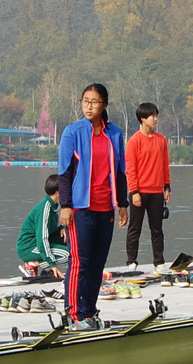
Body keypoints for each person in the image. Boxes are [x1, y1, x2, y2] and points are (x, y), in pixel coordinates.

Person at [57, 83, 128, 331]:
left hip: (105, 208)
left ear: (104, 105)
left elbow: (120, 172)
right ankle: (74, 314)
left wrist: (123, 204)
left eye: (95, 101)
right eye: (85, 101)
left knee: (97, 264)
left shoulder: (115, 134)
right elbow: (64, 173)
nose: (89, 106)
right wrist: (65, 206)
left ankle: (89, 311)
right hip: (80, 208)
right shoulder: (72, 132)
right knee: (79, 262)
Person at [124, 103, 171, 274]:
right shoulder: (134, 141)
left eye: (157, 115)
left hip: (157, 191)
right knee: (134, 228)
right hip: (139, 192)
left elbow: (165, 165)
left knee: (157, 229)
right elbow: (131, 169)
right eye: (152, 116)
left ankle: (159, 262)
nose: (156, 119)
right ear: (143, 118)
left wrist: (167, 187)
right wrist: (134, 191)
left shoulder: (161, 140)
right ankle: (131, 262)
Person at [16, 175, 69, 279]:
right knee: (68, 254)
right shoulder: (45, 209)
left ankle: (37, 263)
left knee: (69, 238)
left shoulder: (53, 206)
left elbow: (50, 231)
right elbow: (42, 240)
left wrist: (62, 228)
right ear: (58, 192)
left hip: (38, 243)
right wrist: (53, 264)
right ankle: (32, 264)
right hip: (28, 247)